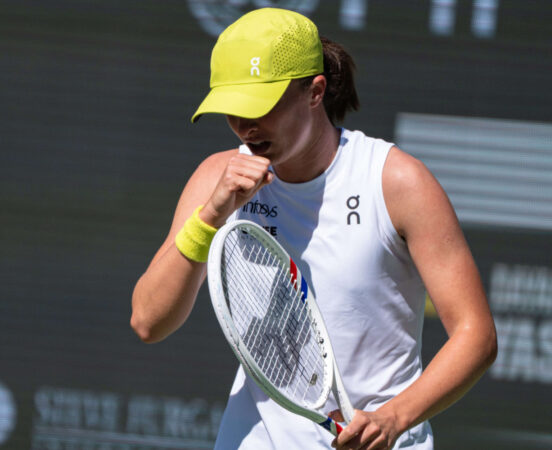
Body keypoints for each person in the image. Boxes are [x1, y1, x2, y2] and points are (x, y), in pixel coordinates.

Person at [131, 7, 497, 450]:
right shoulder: (217, 178)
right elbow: (149, 320)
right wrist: (210, 215)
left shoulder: (395, 181)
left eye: (260, 105)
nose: (246, 125)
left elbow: (475, 334)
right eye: (232, 109)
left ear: (315, 91)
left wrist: (393, 418)